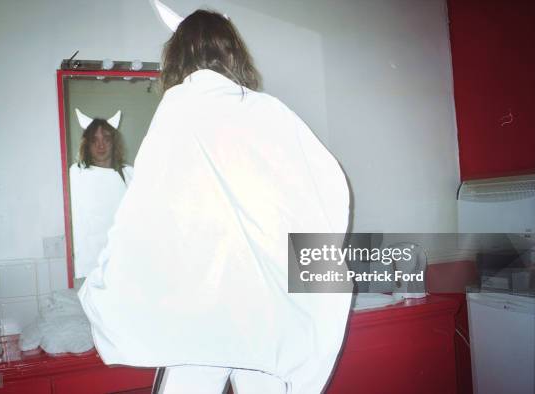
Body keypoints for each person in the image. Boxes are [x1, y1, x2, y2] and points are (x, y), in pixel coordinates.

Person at [78, 4, 352, 394]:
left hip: (198, 312)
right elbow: (327, 190)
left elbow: (144, 213)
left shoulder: (176, 111)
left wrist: (109, 277)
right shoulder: (270, 111)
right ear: (233, 52)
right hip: (264, 312)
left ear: (177, 56)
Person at [69, 109, 133, 280]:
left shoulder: (129, 175)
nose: (101, 145)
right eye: (94, 140)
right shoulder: (75, 174)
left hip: (121, 265)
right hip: (87, 268)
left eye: (106, 138)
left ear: (114, 142)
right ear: (87, 144)